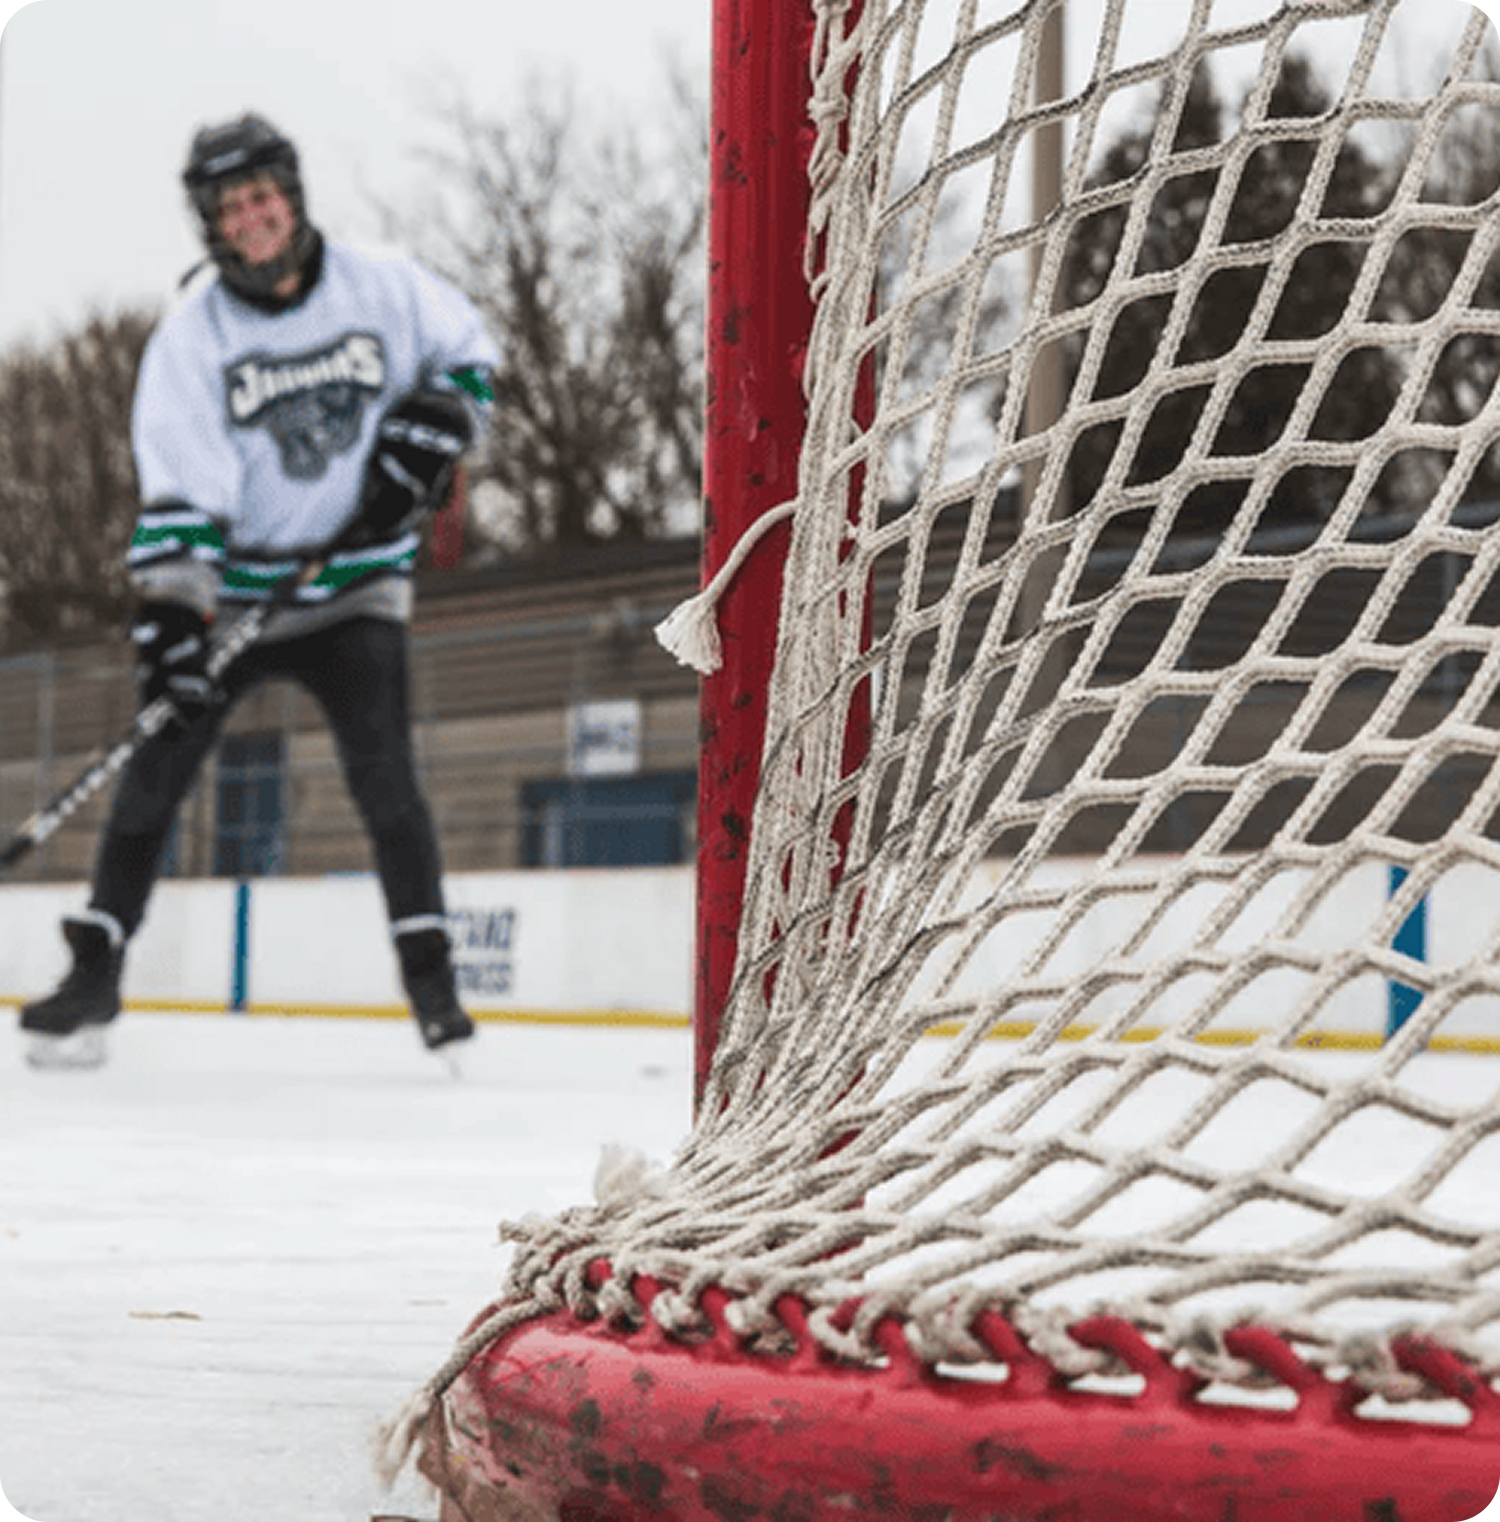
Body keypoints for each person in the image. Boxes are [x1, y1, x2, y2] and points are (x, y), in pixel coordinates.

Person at [19, 112, 500, 1068]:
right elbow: (184, 488)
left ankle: (435, 990)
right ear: (210, 222)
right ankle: (97, 973)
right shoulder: (191, 340)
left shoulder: (385, 286)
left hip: (356, 585)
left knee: (386, 782)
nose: (253, 217)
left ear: (293, 193)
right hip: (236, 593)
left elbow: (471, 363)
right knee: (155, 770)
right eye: (230, 206)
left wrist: (435, 428)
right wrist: (174, 621)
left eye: (264, 196)